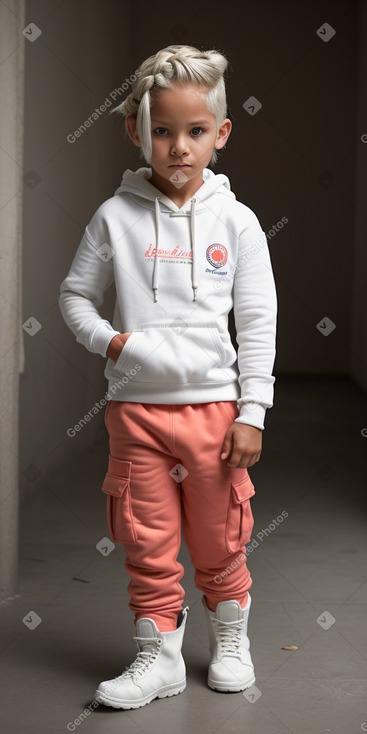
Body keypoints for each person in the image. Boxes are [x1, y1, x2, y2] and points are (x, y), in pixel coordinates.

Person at [59, 43, 277, 711]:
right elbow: (72, 298)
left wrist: (252, 410)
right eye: (161, 131)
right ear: (136, 131)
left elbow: (258, 317)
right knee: (146, 540)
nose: (177, 147)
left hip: (214, 415)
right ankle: (157, 658)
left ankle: (229, 640)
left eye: (194, 132)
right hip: (136, 415)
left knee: (219, 536)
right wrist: (115, 343)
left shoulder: (236, 222)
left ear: (221, 134)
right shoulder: (113, 217)